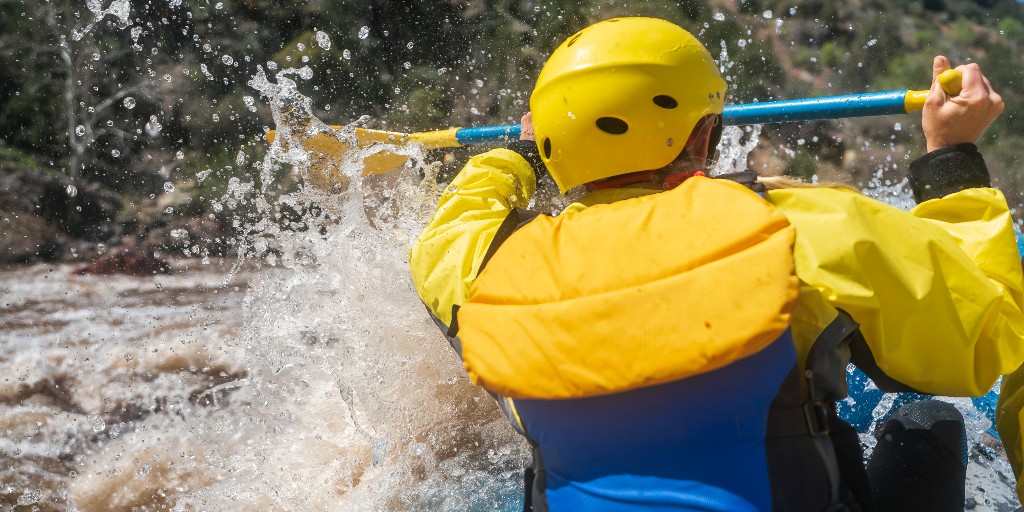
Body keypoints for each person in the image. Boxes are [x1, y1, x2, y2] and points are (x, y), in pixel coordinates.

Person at [409, 17, 1024, 511]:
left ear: (552, 146)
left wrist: (521, 155)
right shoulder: (798, 227)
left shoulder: (490, 267)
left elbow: (456, 222)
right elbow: (988, 338)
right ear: (706, 137)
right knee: (927, 421)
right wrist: (952, 160)